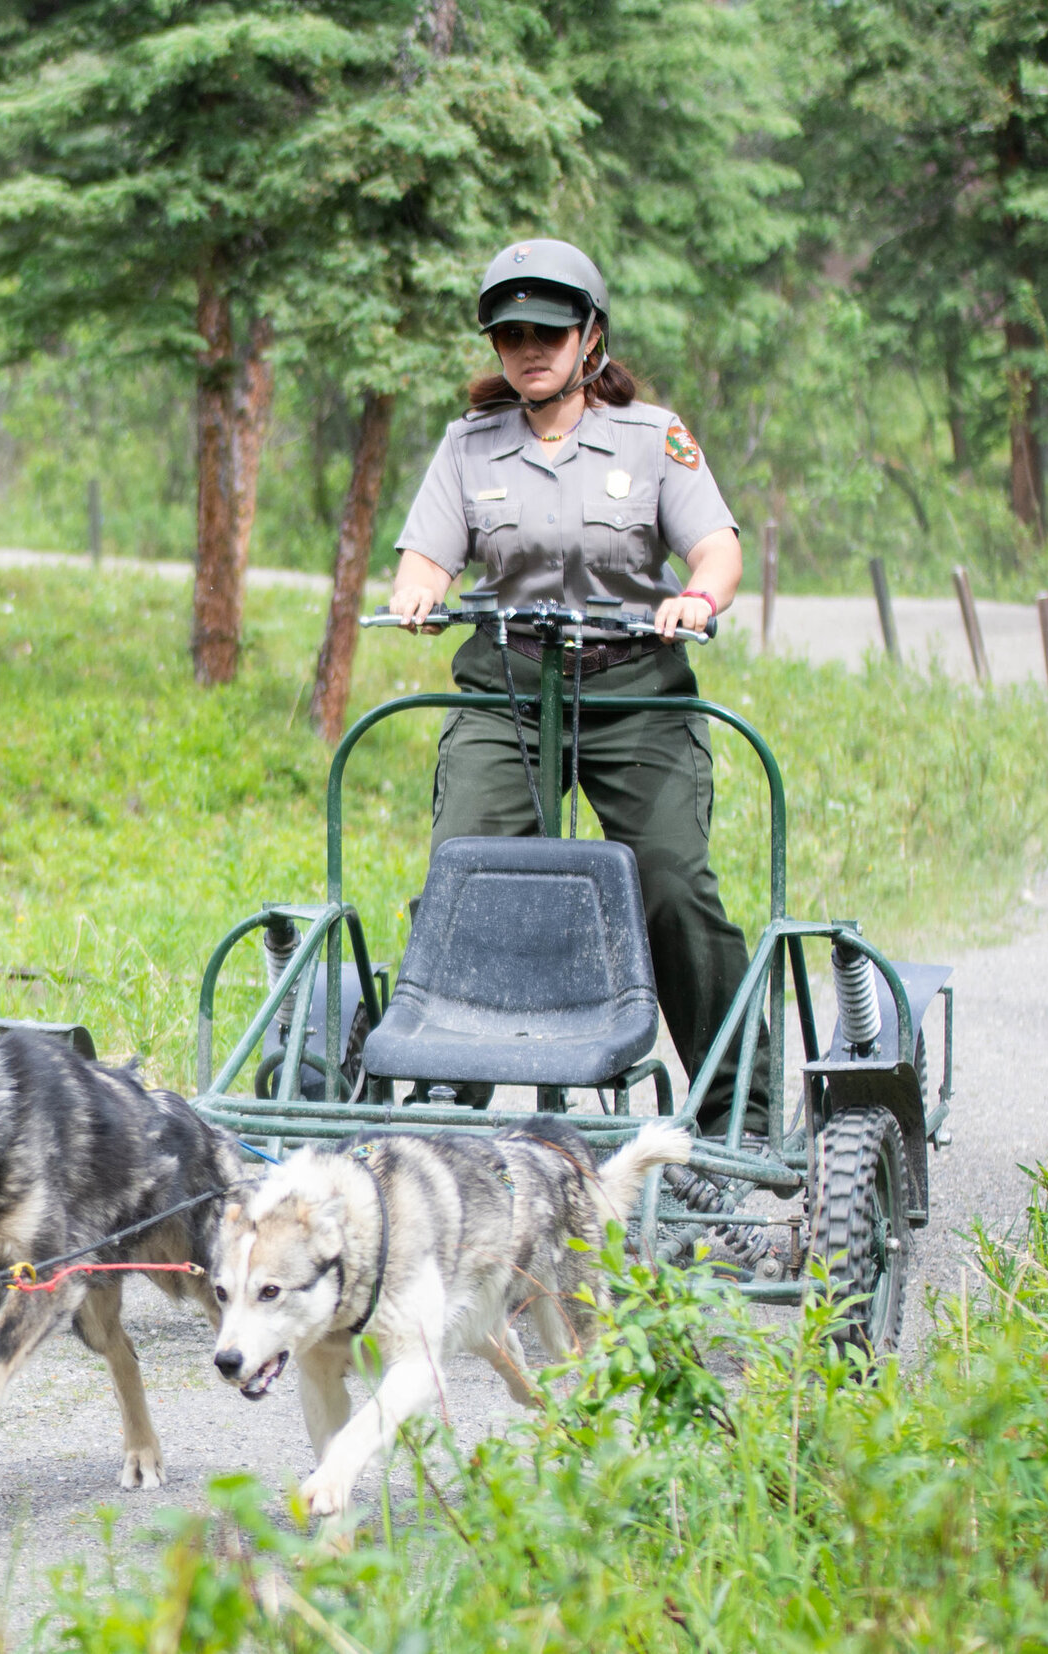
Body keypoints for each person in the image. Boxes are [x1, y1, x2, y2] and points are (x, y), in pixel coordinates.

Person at [387, 237, 770, 1139]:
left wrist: (697, 595)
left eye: (549, 332)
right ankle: (445, 1104)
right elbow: (426, 555)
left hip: (633, 688)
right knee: (464, 873)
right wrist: (419, 588)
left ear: (590, 337)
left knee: (673, 882)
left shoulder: (651, 436)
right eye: (511, 333)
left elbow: (716, 543)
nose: (529, 349)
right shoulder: (469, 445)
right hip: (510, 693)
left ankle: (736, 1111)